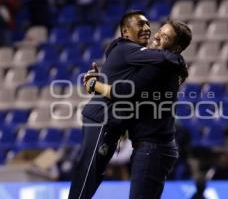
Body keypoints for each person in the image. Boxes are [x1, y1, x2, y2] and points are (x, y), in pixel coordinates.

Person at [68, 10, 188, 199]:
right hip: (132, 135)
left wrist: (95, 85)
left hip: (152, 146)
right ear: (125, 32)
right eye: (159, 31)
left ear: (176, 47)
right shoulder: (134, 52)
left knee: (91, 175)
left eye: (164, 36)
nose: (153, 33)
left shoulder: (157, 66)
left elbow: (126, 92)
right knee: (90, 174)